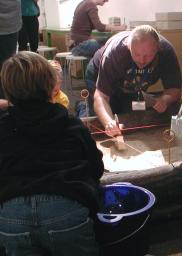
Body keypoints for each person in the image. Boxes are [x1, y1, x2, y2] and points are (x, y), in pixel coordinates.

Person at [0, 51, 104, 255]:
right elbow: (96, 167)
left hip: (11, 213)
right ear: (51, 86)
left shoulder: (2, 127)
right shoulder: (71, 124)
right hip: (66, 207)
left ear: (8, 91)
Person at [86, 25, 182, 137]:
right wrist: (109, 122)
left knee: (127, 115)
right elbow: (101, 96)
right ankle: (82, 107)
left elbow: (174, 89)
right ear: (128, 47)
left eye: (148, 55)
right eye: (136, 54)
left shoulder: (166, 52)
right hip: (98, 74)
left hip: (132, 84)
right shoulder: (115, 54)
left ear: (157, 49)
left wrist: (164, 100)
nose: (142, 61)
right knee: (102, 122)